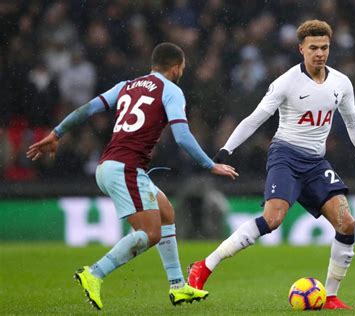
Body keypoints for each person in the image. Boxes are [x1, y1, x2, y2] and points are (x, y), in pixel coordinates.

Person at [27, 42, 239, 310]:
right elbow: (182, 136)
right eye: (181, 69)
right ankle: (94, 273)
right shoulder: (171, 91)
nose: (181, 73)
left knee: (166, 213)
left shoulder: (126, 85)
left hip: (111, 165)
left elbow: (89, 109)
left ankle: (178, 286)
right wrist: (210, 165)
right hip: (125, 169)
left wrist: (56, 132)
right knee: (149, 233)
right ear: (175, 68)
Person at [187, 19, 355, 310]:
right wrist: (226, 149)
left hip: (316, 163)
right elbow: (255, 117)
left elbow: (353, 122)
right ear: (300, 48)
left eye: (325, 47)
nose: (320, 53)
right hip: (285, 156)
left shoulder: (341, 83)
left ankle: (329, 296)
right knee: (273, 218)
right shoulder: (286, 82)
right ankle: (203, 266)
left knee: (347, 223)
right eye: (313, 47)